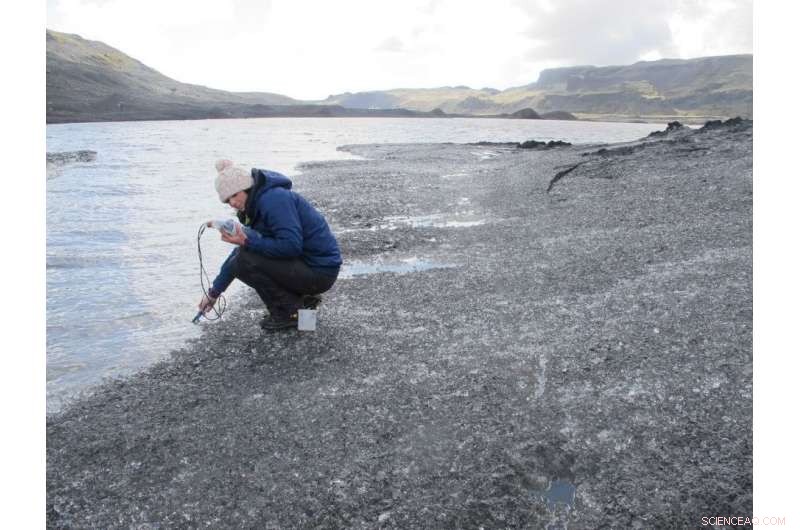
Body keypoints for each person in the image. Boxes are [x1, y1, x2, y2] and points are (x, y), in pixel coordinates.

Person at [198, 159, 342, 331]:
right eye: (228, 200)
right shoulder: (256, 204)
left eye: (235, 195)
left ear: (247, 187)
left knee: (245, 260)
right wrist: (214, 293)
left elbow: (291, 246)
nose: (233, 203)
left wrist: (247, 241)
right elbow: (241, 252)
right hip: (307, 267)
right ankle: (305, 305)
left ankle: (290, 314)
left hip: (320, 273)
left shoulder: (273, 200)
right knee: (243, 257)